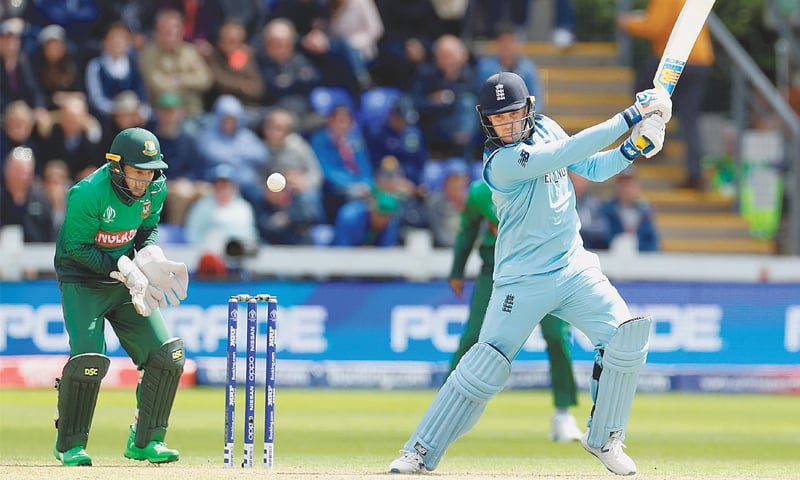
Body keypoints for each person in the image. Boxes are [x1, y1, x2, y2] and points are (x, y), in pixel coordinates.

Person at [388, 71, 671, 476]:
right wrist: (633, 114)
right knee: (483, 367)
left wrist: (634, 147)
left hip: (574, 267)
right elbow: (563, 154)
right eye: (497, 117)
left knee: (625, 337)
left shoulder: (547, 129)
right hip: (522, 281)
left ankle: (605, 438)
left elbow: (592, 166)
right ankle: (419, 451)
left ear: (529, 109)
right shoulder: (499, 162)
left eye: (513, 113)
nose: (506, 123)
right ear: (486, 120)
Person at [52, 127, 189, 466]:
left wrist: (149, 257)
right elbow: (76, 248)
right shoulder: (87, 193)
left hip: (126, 278)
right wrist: (122, 267)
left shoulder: (155, 189)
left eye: (150, 172)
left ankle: (146, 441)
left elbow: (146, 230)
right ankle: (70, 445)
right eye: (137, 172)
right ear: (116, 166)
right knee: (88, 361)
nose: (145, 180)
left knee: (167, 355)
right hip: (82, 279)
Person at [447, 178, 583, 442]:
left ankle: (563, 414)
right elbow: (467, 229)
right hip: (496, 271)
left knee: (557, 336)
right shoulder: (480, 191)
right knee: (473, 336)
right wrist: (456, 271)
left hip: (544, 271)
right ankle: (447, 410)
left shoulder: (546, 183)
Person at [617, 0, 714, 190]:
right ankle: (695, 172)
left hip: (675, 61)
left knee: (644, 91)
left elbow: (654, 26)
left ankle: (649, 138)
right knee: (689, 118)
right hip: (700, 59)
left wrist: (627, 23)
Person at [600, 166, 660, 252]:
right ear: (616, 186)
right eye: (623, 185)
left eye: (630, 185)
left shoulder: (645, 212)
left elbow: (652, 241)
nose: (627, 189)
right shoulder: (606, 209)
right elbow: (601, 237)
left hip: (640, 258)